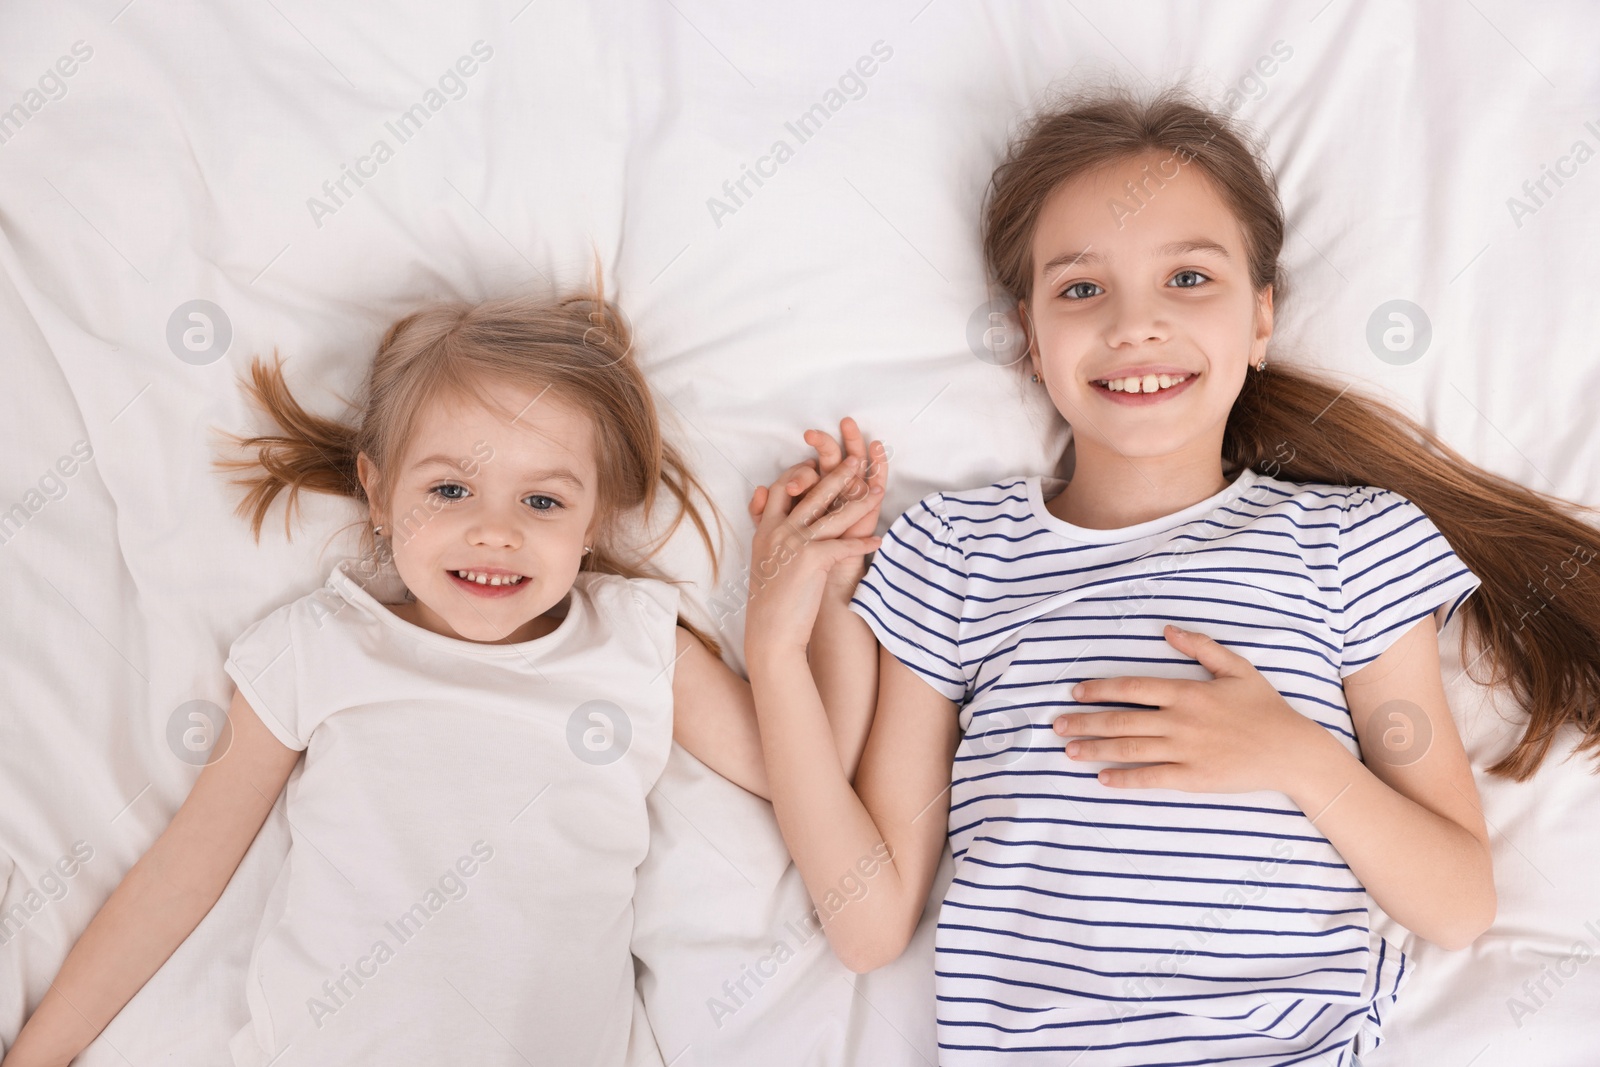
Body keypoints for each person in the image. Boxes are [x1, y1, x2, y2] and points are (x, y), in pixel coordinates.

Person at [743, 85, 1600, 1065]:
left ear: (1261, 318)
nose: (1133, 324)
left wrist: (1294, 754)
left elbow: (1456, 904)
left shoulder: (1346, 543)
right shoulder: (952, 552)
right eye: (1079, 289)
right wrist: (773, 648)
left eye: (1188, 278)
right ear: (1029, 336)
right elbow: (867, 923)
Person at [3, 283, 842, 1066]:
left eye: (542, 502)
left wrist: (822, 589)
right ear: (375, 492)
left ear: (595, 520)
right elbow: (180, 876)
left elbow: (814, 774)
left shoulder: (636, 645)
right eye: (450, 489)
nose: (494, 532)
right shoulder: (322, 649)